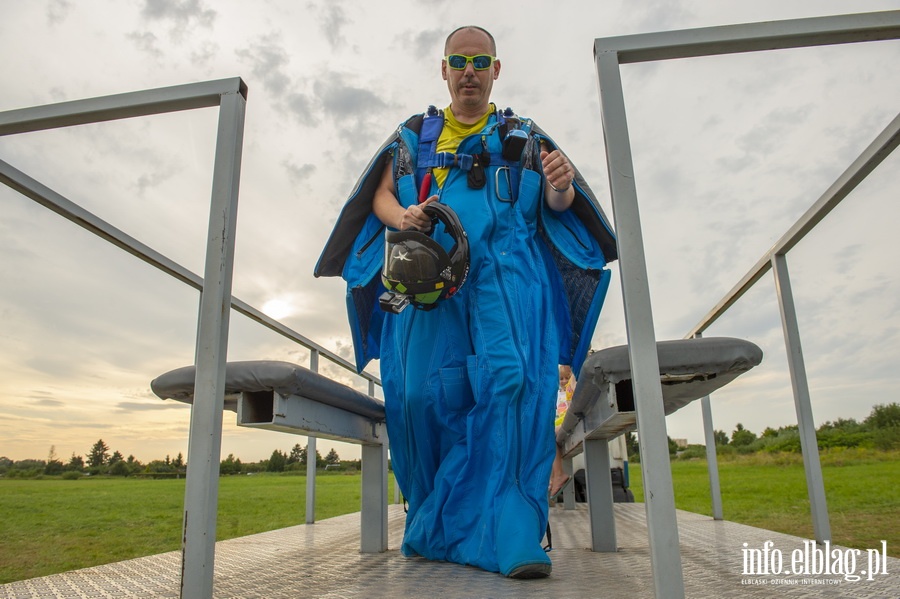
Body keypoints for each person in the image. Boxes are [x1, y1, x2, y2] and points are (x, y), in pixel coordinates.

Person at [315, 26, 616, 578]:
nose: (470, 70)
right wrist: (401, 216)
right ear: (445, 69)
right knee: (423, 397)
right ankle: (432, 523)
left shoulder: (523, 136)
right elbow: (380, 195)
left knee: (513, 384)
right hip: (430, 284)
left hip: (507, 282)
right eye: (460, 60)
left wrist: (561, 184)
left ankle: (512, 528)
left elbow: (557, 204)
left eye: (481, 61)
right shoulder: (412, 137)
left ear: (496, 70)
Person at [550, 365, 575, 500]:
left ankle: (559, 475)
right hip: (561, 422)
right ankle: (554, 476)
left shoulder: (569, 391)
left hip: (567, 422)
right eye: (561, 379)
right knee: (545, 435)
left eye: (567, 377)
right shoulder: (558, 393)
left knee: (549, 436)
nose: (564, 381)